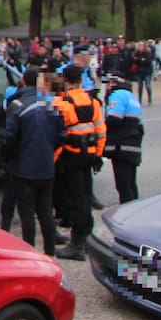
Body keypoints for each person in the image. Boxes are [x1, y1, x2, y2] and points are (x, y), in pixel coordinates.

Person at [4, 67, 64, 255]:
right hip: (46, 166)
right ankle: (50, 252)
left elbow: (10, 137)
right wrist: (48, 149)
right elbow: (61, 135)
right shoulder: (51, 106)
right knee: (45, 211)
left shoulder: (18, 105)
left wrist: (11, 156)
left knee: (27, 212)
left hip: (24, 167)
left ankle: (30, 252)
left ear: (22, 81)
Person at [55, 64, 105, 260]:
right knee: (85, 196)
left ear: (65, 81)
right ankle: (86, 237)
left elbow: (57, 136)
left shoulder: (62, 103)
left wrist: (53, 159)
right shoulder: (94, 102)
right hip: (90, 155)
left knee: (75, 200)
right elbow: (101, 131)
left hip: (70, 156)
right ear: (81, 80)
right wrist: (98, 156)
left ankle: (77, 244)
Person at [104, 76, 143, 203]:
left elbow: (114, 119)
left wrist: (100, 128)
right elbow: (140, 126)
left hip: (121, 146)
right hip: (133, 145)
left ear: (114, 84)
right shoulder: (132, 97)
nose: (107, 86)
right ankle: (136, 212)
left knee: (123, 185)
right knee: (131, 184)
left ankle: (127, 215)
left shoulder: (117, 95)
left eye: (108, 83)